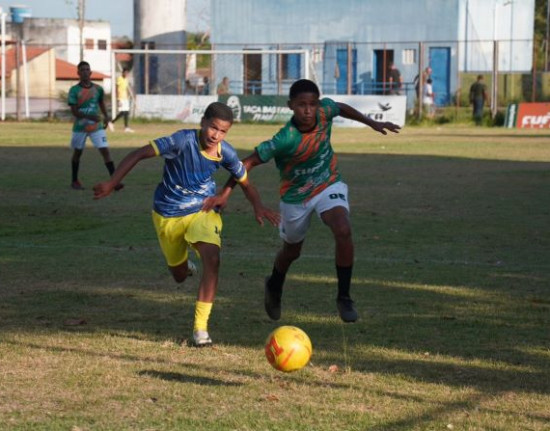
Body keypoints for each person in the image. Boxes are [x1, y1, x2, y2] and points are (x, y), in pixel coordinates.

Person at [204, 79, 400, 323]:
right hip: (295, 197)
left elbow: (340, 107)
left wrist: (372, 123)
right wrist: (225, 192)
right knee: (291, 251)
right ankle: (274, 284)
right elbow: (247, 163)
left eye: (312, 104)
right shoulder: (285, 138)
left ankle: (344, 297)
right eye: (301, 105)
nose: (308, 110)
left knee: (343, 228)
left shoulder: (324, 111)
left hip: (328, 183)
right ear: (290, 106)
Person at [93, 102, 279, 347]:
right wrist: (111, 182)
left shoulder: (226, 153)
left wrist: (258, 206)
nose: (216, 135)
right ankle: (184, 266)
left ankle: (201, 329)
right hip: (167, 215)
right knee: (179, 275)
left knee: (212, 259)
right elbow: (139, 154)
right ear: (203, 122)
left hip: (202, 210)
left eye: (223, 131)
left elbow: (244, 181)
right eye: (213, 128)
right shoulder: (181, 141)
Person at [68, 61, 122, 191]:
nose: (85, 72)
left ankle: (114, 182)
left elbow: (101, 103)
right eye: (83, 70)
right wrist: (89, 117)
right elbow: (74, 111)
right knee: (78, 153)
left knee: (105, 150)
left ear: (90, 72)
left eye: (87, 69)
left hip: (96, 127)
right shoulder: (74, 90)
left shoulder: (98, 89)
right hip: (80, 127)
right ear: (78, 73)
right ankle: (75, 181)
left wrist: (106, 116)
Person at [111, 68, 134, 133]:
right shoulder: (119, 78)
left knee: (126, 112)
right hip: (120, 98)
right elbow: (116, 88)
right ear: (123, 73)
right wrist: (118, 98)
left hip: (125, 98)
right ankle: (112, 122)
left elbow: (126, 88)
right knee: (122, 112)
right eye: (125, 73)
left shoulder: (126, 79)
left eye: (127, 73)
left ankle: (126, 127)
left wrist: (130, 95)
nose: (126, 74)